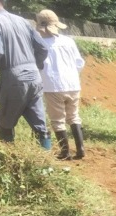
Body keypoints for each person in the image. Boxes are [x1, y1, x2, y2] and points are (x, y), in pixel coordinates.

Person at [0, 0, 50, 147]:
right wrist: (35, 65)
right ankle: (46, 162)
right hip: (34, 76)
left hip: (13, 77)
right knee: (39, 124)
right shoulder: (23, 21)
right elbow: (43, 48)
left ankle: (8, 160)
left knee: (4, 121)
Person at [36, 9, 85, 159]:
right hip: (73, 84)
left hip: (53, 86)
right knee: (74, 117)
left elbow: (38, 66)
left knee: (58, 120)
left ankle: (65, 153)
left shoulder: (40, 43)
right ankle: (81, 149)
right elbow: (79, 63)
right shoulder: (68, 41)